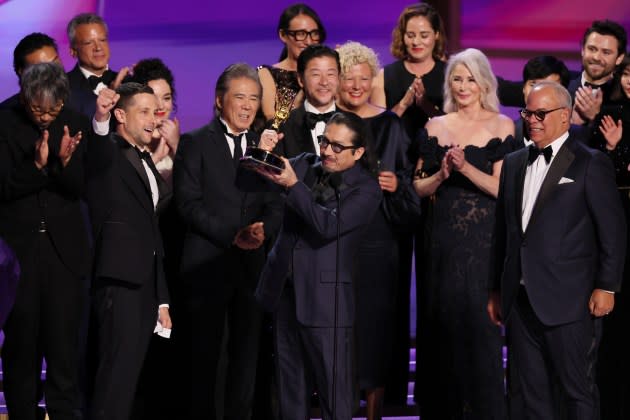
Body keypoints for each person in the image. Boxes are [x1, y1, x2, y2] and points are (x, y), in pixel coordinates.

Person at [488, 81, 626, 419]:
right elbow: (503, 234)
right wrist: (495, 288)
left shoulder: (590, 163)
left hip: (571, 301)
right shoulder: (514, 163)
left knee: (577, 390)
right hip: (520, 302)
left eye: (540, 113)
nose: (532, 119)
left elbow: (613, 232)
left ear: (565, 117)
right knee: (531, 394)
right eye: (527, 113)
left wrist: (607, 286)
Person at [255, 112, 382, 420]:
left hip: (327, 304)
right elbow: (260, 172)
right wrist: (261, 152)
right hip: (285, 293)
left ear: (359, 152)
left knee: (334, 397)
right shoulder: (304, 165)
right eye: (325, 141)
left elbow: (327, 226)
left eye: (338, 147)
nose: (327, 151)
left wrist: (295, 187)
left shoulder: (366, 189)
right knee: (289, 394)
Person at [173, 63, 282, 420]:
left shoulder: (263, 146)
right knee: (207, 359)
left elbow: (276, 200)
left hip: (252, 271)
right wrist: (232, 235)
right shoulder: (195, 142)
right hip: (207, 267)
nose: (248, 106)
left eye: (254, 98)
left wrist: (265, 226)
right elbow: (188, 203)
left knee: (247, 357)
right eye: (240, 97)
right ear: (220, 101)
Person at [412, 48, 514, 420]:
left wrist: (465, 167)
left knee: (480, 328)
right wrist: (440, 174)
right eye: (458, 77)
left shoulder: (502, 125)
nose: (464, 85)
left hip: (484, 242)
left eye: (471, 78)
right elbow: (417, 187)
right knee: (445, 330)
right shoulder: (435, 126)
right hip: (442, 242)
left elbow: (503, 189)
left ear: (484, 81)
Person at [335, 40, 420, 420]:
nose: (356, 85)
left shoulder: (390, 124)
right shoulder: (329, 123)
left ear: (373, 80)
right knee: (339, 327)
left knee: (376, 328)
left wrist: (396, 184)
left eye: (364, 78)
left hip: (378, 240)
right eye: (349, 78)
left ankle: (373, 414)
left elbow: (407, 183)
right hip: (334, 239)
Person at [0, 62, 90, 420]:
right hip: (18, 254)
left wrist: (64, 163)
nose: (46, 117)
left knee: (63, 346)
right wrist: (37, 167)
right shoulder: (4, 123)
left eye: (53, 110)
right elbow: (3, 188)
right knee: (21, 347)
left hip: (64, 253)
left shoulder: (76, 124)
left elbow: (80, 187)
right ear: (25, 98)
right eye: (39, 109)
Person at [87, 82, 172, 420]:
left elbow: (153, 231)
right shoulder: (109, 152)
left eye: (156, 111)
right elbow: (96, 152)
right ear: (121, 114)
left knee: (128, 379)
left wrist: (161, 296)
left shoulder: (145, 159)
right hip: (118, 280)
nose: (154, 119)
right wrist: (99, 118)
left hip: (144, 285)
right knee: (114, 379)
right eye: (145, 111)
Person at [589, 55, 630, 420]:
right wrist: (615, 148)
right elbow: (599, 170)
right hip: (617, 225)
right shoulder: (612, 113)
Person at [371, 3, 446, 140]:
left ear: (436, 35)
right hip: (397, 157)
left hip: (438, 157)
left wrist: (425, 105)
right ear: (402, 36)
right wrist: (402, 105)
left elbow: (457, 127)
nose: (416, 42)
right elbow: (377, 130)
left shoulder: (449, 75)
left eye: (424, 35)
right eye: (410, 35)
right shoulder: (385, 76)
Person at [257, 3, 326, 125]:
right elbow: (272, 120)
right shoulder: (267, 73)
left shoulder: (327, 75)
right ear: (283, 35)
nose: (309, 41)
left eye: (314, 33)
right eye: (301, 34)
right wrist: (303, 92)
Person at [270, 44, 341, 159]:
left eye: (330, 74)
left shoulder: (355, 125)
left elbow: (365, 173)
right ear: (301, 79)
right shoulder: (281, 127)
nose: (324, 82)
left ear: (338, 78)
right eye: (316, 74)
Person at [127, 58, 180, 184]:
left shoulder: (182, 142)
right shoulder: (128, 141)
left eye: (166, 98)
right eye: (154, 98)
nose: (161, 106)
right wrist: (157, 157)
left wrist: (176, 145)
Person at [66, 13, 126, 118]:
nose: (98, 48)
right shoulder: (63, 87)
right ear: (73, 51)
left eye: (102, 40)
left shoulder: (128, 82)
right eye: (89, 43)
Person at [569, 19, 627, 125]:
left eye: (606, 52)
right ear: (582, 50)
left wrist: (595, 117)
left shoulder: (624, 99)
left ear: (619, 58)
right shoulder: (563, 85)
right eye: (592, 49)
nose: (596, 57)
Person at [0, 32, 62, 108]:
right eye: (41, 68)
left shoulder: (75, 102)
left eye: (55, 63)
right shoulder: (4, 113)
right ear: (22, 73)